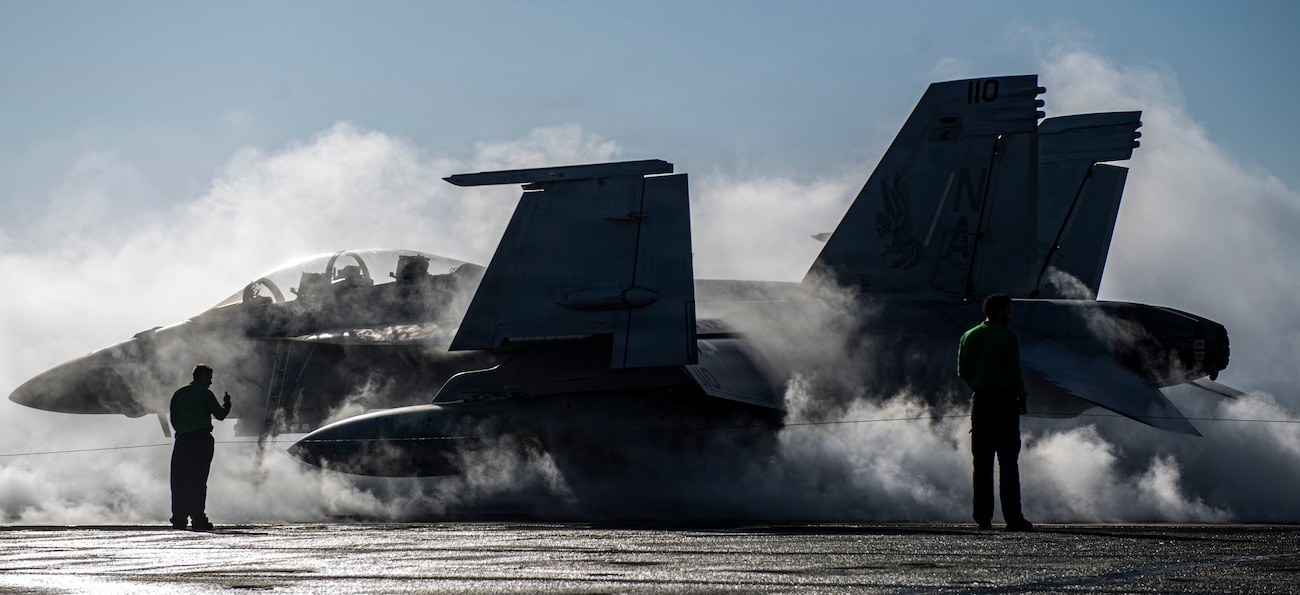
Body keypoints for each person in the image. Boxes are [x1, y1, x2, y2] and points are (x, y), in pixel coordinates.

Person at [957, 294, 1033, 532]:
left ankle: (982, 518)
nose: (1011, 316)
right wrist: (1022, 397)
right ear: (999, 313)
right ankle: (1013, 518)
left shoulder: (968, 335)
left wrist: (979, 385)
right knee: (1008, 463)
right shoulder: (1008, 337)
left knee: (981, 463)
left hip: (980, 402)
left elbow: (962, 370)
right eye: (1009, 312)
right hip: (1005, 403)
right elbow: (1014, 371)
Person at [169, 364, 232, 531]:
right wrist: (227, 404)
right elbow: (220, 415)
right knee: (197, 481)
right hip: (200, 441)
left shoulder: (179, 393)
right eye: (209, 378)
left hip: (181, 441)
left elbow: (173, 417)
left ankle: (178, 519)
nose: (210, 382)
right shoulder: (205, 393)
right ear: (202, 377)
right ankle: (198, 519)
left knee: (179, 481)